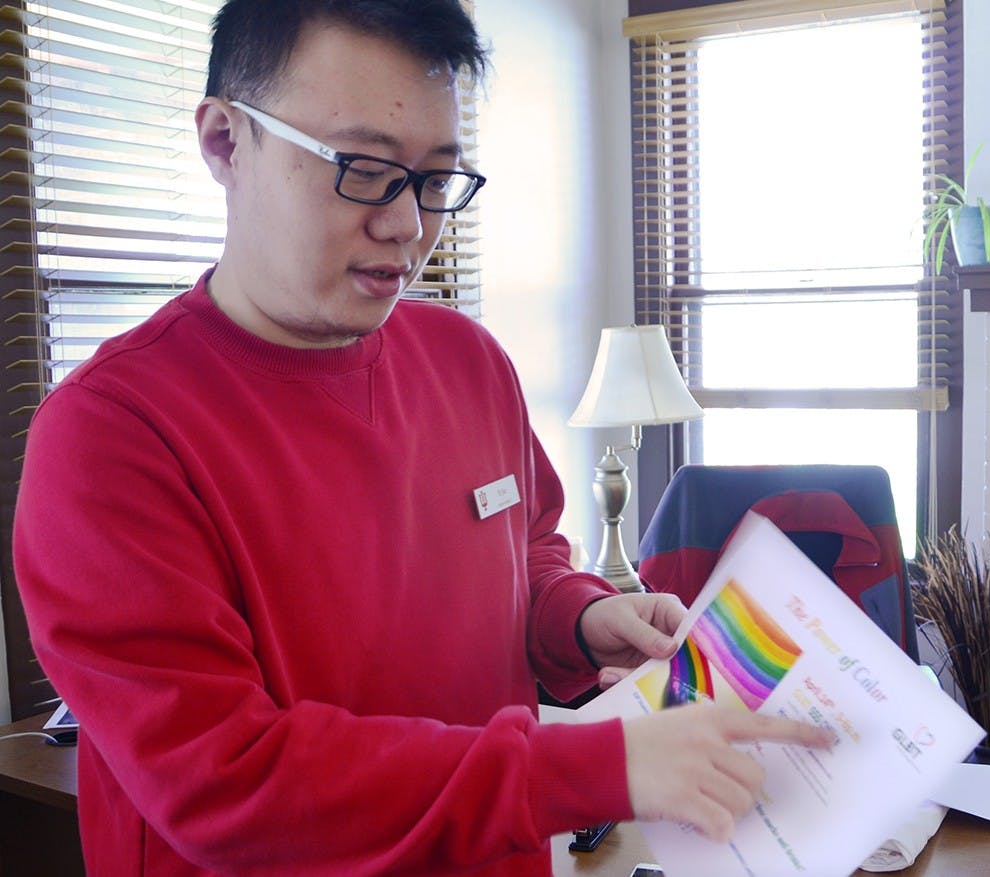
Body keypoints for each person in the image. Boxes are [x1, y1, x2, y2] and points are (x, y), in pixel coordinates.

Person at [12, 2, 831, 875]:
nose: (408, 225)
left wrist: (582, 617)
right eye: (363, 169)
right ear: (224, 142)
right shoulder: (110, 434)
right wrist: (604, 766)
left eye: (436, 177)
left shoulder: (468, 362)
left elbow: (526, 557)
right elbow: (228, 780)